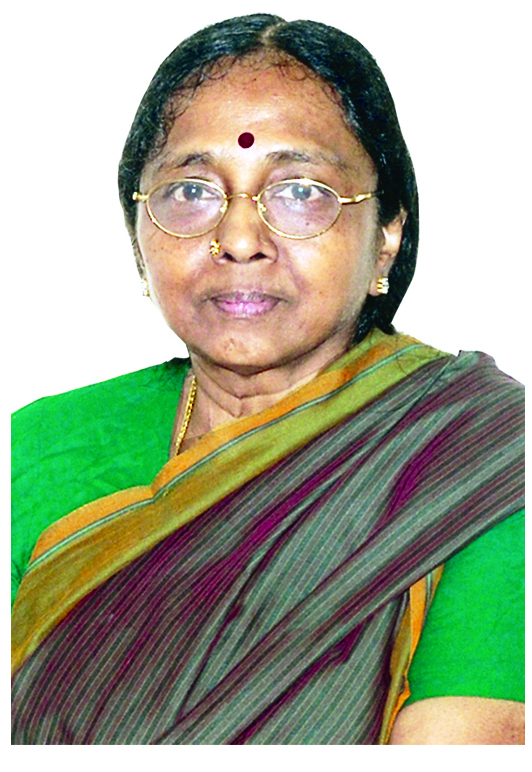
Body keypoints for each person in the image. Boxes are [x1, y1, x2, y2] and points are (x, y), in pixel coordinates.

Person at [11, 13, 524, 745]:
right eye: (191, 192)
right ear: (137, 235)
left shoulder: (476, 459)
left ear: (386, 237)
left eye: (300, 191)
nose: (239, 239)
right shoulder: (38, 445)